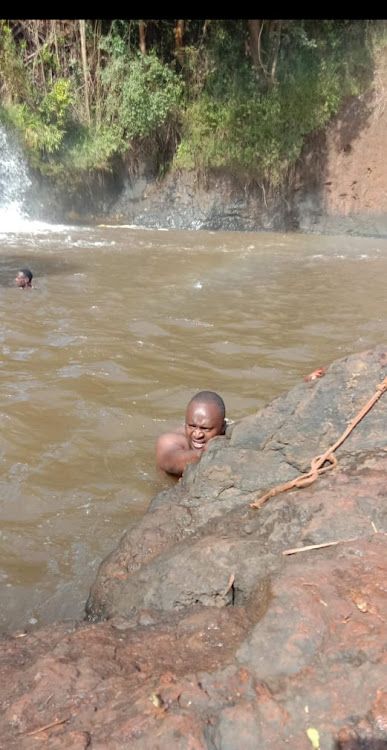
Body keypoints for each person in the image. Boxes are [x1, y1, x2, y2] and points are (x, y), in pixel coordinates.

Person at [156, 390, 227, 477]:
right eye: (192, 426)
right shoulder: (169, 440)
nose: (197, 435)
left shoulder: (229, 436)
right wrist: (205, 454)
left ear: (223, 426)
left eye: (205, 429)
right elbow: (169, 462)